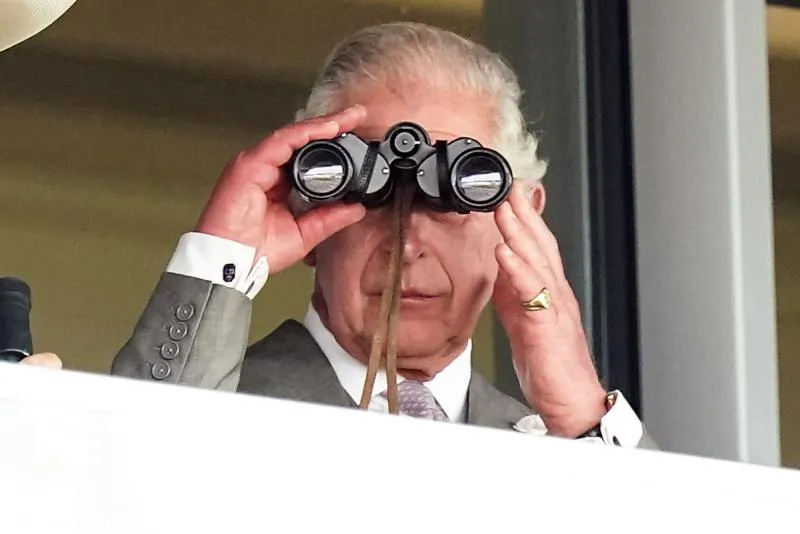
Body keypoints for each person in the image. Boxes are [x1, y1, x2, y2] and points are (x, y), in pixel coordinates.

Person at [109, 22, 655, 446]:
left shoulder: (567, 448)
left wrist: (584, 413)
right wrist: (222, 258)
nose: (407, 246)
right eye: (369, 196)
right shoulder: (206, 406)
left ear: (521, 219)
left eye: (454, 197)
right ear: (304, 200)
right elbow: (120, 476)